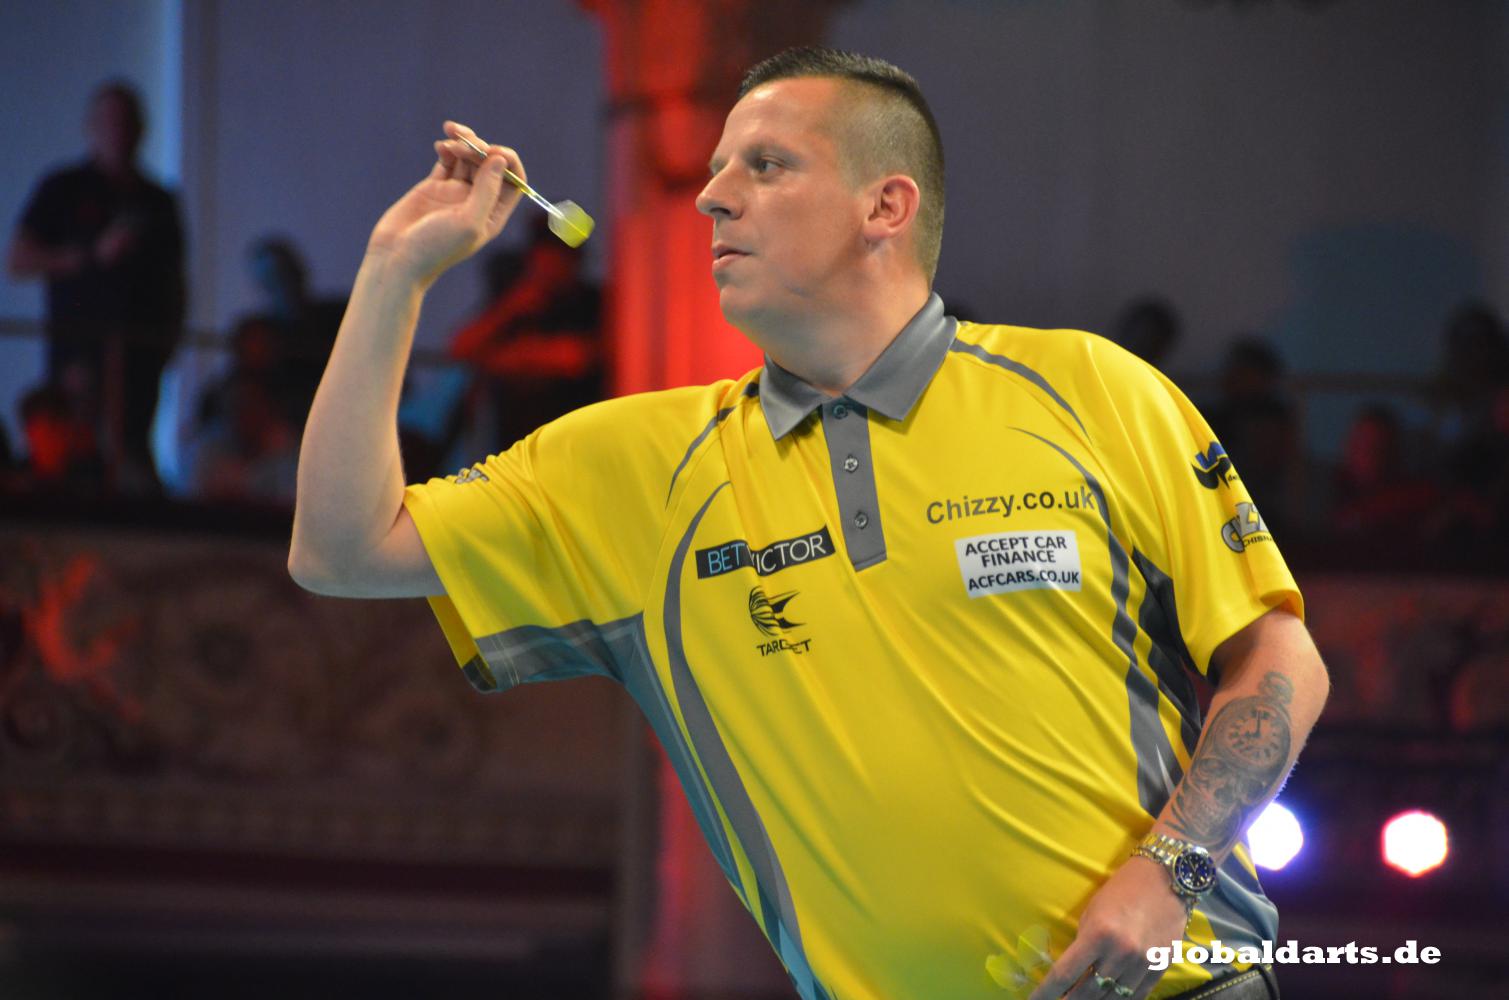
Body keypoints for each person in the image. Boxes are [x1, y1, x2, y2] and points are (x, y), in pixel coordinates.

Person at [288, 47, 1327, 1000]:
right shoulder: (639, 468)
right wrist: (393, 271)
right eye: (715, 169)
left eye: (766, 165)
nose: (711, 195)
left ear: (885, 205)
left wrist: (1171, 871)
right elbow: (341, 549)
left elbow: (1279, 656)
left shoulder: (1091, 388)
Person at [6, 80, 186, 494]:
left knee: (131, 454)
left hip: (139, 358)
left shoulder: (158, 202)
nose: (117, 131)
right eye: (109, 121)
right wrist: (91, 255)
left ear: (141, 129)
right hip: (78, 352)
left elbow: (175, 281)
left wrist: (169, 344)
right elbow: (18, 259)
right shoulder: (64, 188)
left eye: (126, 122)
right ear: (90, 126)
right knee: (73, 453)